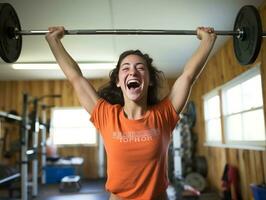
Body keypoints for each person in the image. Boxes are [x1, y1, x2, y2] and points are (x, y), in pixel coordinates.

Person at [45, 26, 216, 200]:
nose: (132, 71)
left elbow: (188, 76)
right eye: (125, 68)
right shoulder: (106, 116)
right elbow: (76, 78)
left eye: (140, 68)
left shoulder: (163, 115)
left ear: (149, 80)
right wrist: (54, 42)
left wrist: (207, 41)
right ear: (119, 81)